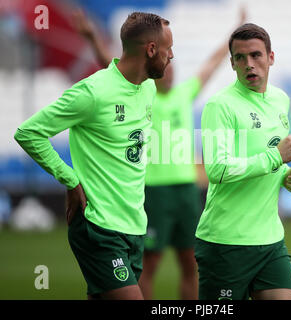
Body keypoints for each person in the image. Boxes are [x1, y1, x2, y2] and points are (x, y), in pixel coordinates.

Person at [73, 8, 246, 300]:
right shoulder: (142, 93)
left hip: (186, 191)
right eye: (166, 65)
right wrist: (92, 38)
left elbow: (212, 64)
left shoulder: (183, 95)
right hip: (153, 192)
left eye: (172, 69)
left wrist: (235, 30)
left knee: (191, 262)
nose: (169, 71)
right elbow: (111, 66)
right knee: (148, 265)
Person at [14, 12, 174, 300]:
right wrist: (70, 179)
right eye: (167, 49)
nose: (171, 55)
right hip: (98, 226)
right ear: (151, 49)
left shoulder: (148, 88)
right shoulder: (92, 92)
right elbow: (29, 132)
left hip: (134, 226)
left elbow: (121, 73)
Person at [195, 23, 291, 300]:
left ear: (271, 57)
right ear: (231, 63)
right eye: (240, 58)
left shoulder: (281, 100)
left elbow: (269, 159)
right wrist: (277, 157)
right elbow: (218, 169)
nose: (249, 64)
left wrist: (286, 175)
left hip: (271, 240)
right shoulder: (220, 106)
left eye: (256, 55)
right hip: (226, 243)